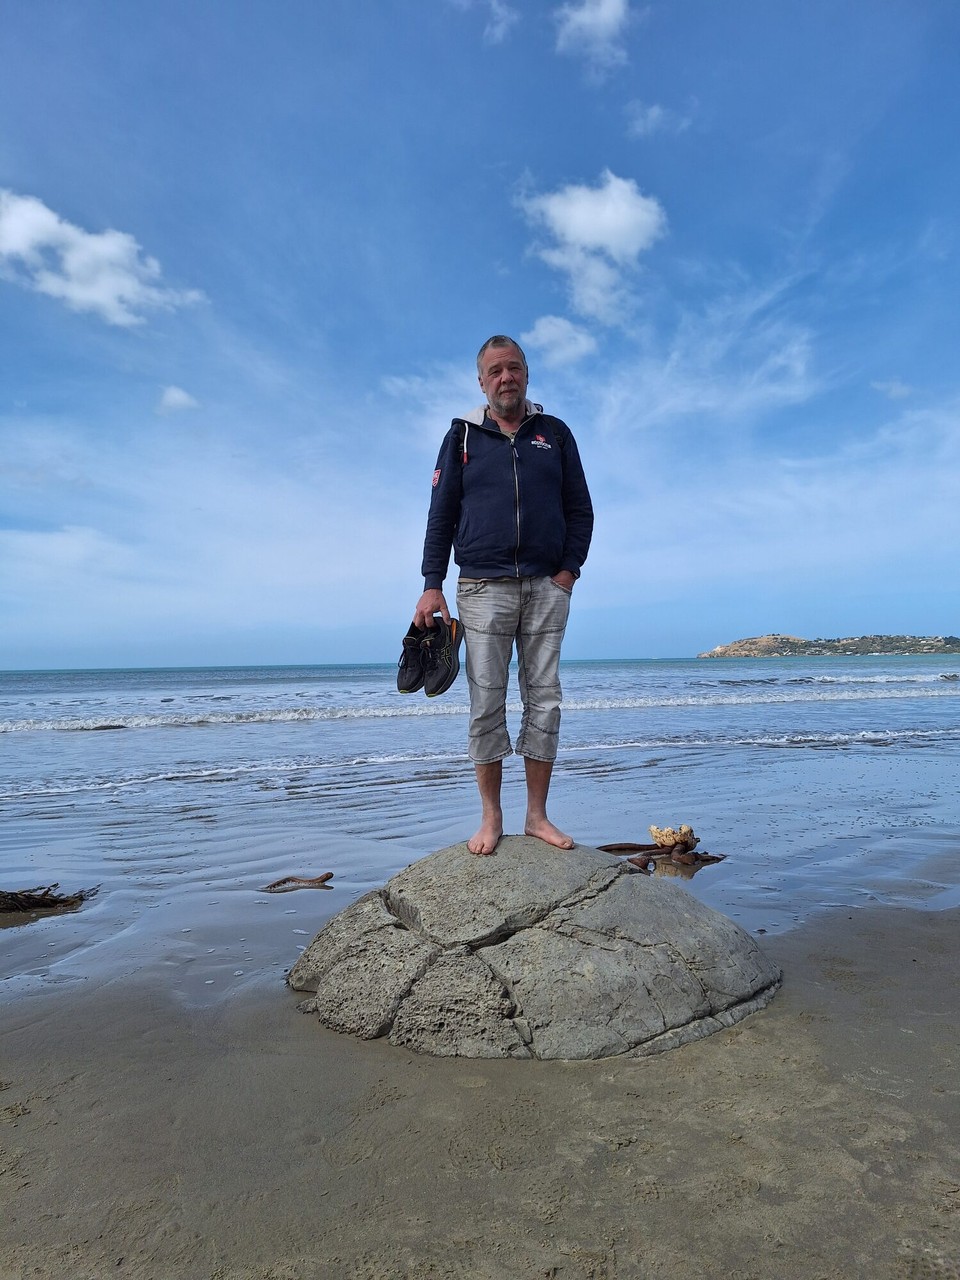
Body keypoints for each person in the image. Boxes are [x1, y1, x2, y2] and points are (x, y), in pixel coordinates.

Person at [413, 335, 594, 856]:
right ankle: (491, 818)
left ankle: (536, 816)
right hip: (481, 586)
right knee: (485, 700)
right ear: (481, 381)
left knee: (545, 698)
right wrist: (431, 584)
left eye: (513, 368)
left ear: (527, 374)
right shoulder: (463, 436)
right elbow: (440, 514)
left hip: (546, 586)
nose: (505, 378)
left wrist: (568, 571)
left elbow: (580, 509)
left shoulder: (554, 434)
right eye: (494, 371)